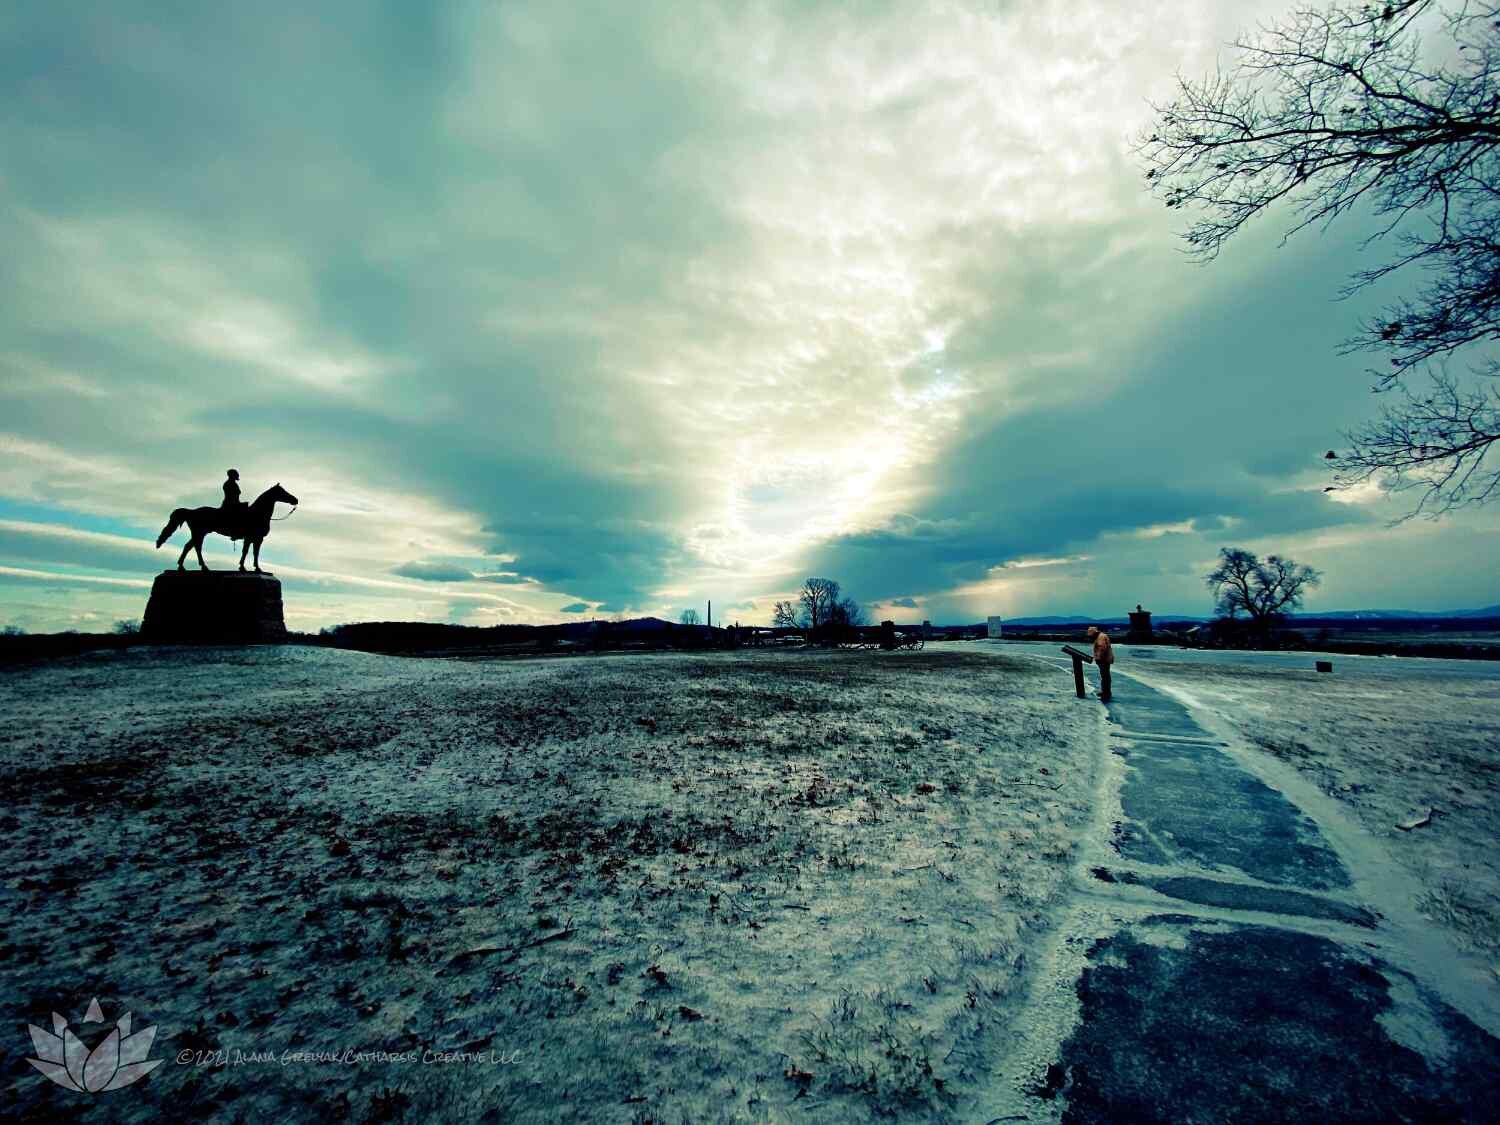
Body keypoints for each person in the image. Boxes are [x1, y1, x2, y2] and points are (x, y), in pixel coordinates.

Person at [1087, 625, 1114, 702]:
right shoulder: (1102, 636)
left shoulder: (1100, 637)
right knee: (1105, 676)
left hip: (1104, 660)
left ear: (1094, 634)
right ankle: (1106, 692)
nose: (1091, 637)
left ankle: (1106, 693)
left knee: (1105, 676)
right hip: (1105, 659)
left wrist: (1098, 658)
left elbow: (1101, 648)